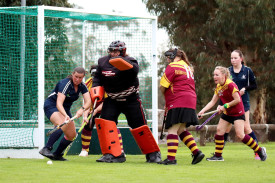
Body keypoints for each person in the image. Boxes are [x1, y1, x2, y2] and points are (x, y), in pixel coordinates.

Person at [91, 40, 161, 163]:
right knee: (105, 123)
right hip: (112, 100)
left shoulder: (131, 61)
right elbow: (97, 78)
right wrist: (95, 89)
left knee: (140, 126)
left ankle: (153, 154)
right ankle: (113, 154)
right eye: (111, 51)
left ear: (123, 51)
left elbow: (135, 71)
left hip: (131, 99)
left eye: (116, 51)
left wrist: (123, 64)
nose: (113, 53)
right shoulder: (102, 62)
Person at [198, 66, 267, 161]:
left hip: (237, 112)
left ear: (223, 75)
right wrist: (202, 111)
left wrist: (225, 106)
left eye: (217, 75)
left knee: (240, 135)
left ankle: (259, 150)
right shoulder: (218, 86)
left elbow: (238, 99)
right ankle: (218, 156)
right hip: (227, 113)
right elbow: (212, 102)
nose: (214, 76)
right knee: (219, 131)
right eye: (214, 74)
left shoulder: (230, 85)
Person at [158, 48, 205, 165]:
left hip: (178, 99)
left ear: (174, 56)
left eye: (169, 57)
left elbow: (163, 86)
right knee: (181, 129)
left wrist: (167, 98)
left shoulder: (173, 67)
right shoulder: (188, 67)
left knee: (172, 130)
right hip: (190, 100)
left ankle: (171, 159)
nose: (168, 60)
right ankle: (196, 152)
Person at [39, 66, 91, 161]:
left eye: (80, 78)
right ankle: (46, 148)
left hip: (65, 110)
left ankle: (57, 155)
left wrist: (82, 109)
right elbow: (59, 103)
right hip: (52, 105)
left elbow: (88, 102)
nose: (77, 79)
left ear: (83, 77)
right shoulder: (65, 83)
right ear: (72, 74)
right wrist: (66, 116)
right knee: (61, 124)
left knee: (71, 135)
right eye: (76, 76)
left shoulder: (82, 86)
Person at [79, 65, 125, 157]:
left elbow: (108, 101)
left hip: (107, 106)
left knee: (112, 127)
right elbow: (86, 100)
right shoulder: (87, 84)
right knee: (88, 125)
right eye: (93, 74)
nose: (96, 77)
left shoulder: (108, 83)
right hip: (92, 106)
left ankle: (120, 150)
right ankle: (84, 150)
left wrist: (96, 110)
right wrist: (85, 115)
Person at [223, 50, 259, 160]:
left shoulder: (247, 71)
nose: (233, 60)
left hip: (243, 102)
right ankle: (218, 154)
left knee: (246, 127)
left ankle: (258, 151)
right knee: (225, 128)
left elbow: (254, 85)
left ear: (241, 59)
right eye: (231, 58)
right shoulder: (228, 71)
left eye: (235, 58)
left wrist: (245, 89)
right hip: (230, 103)